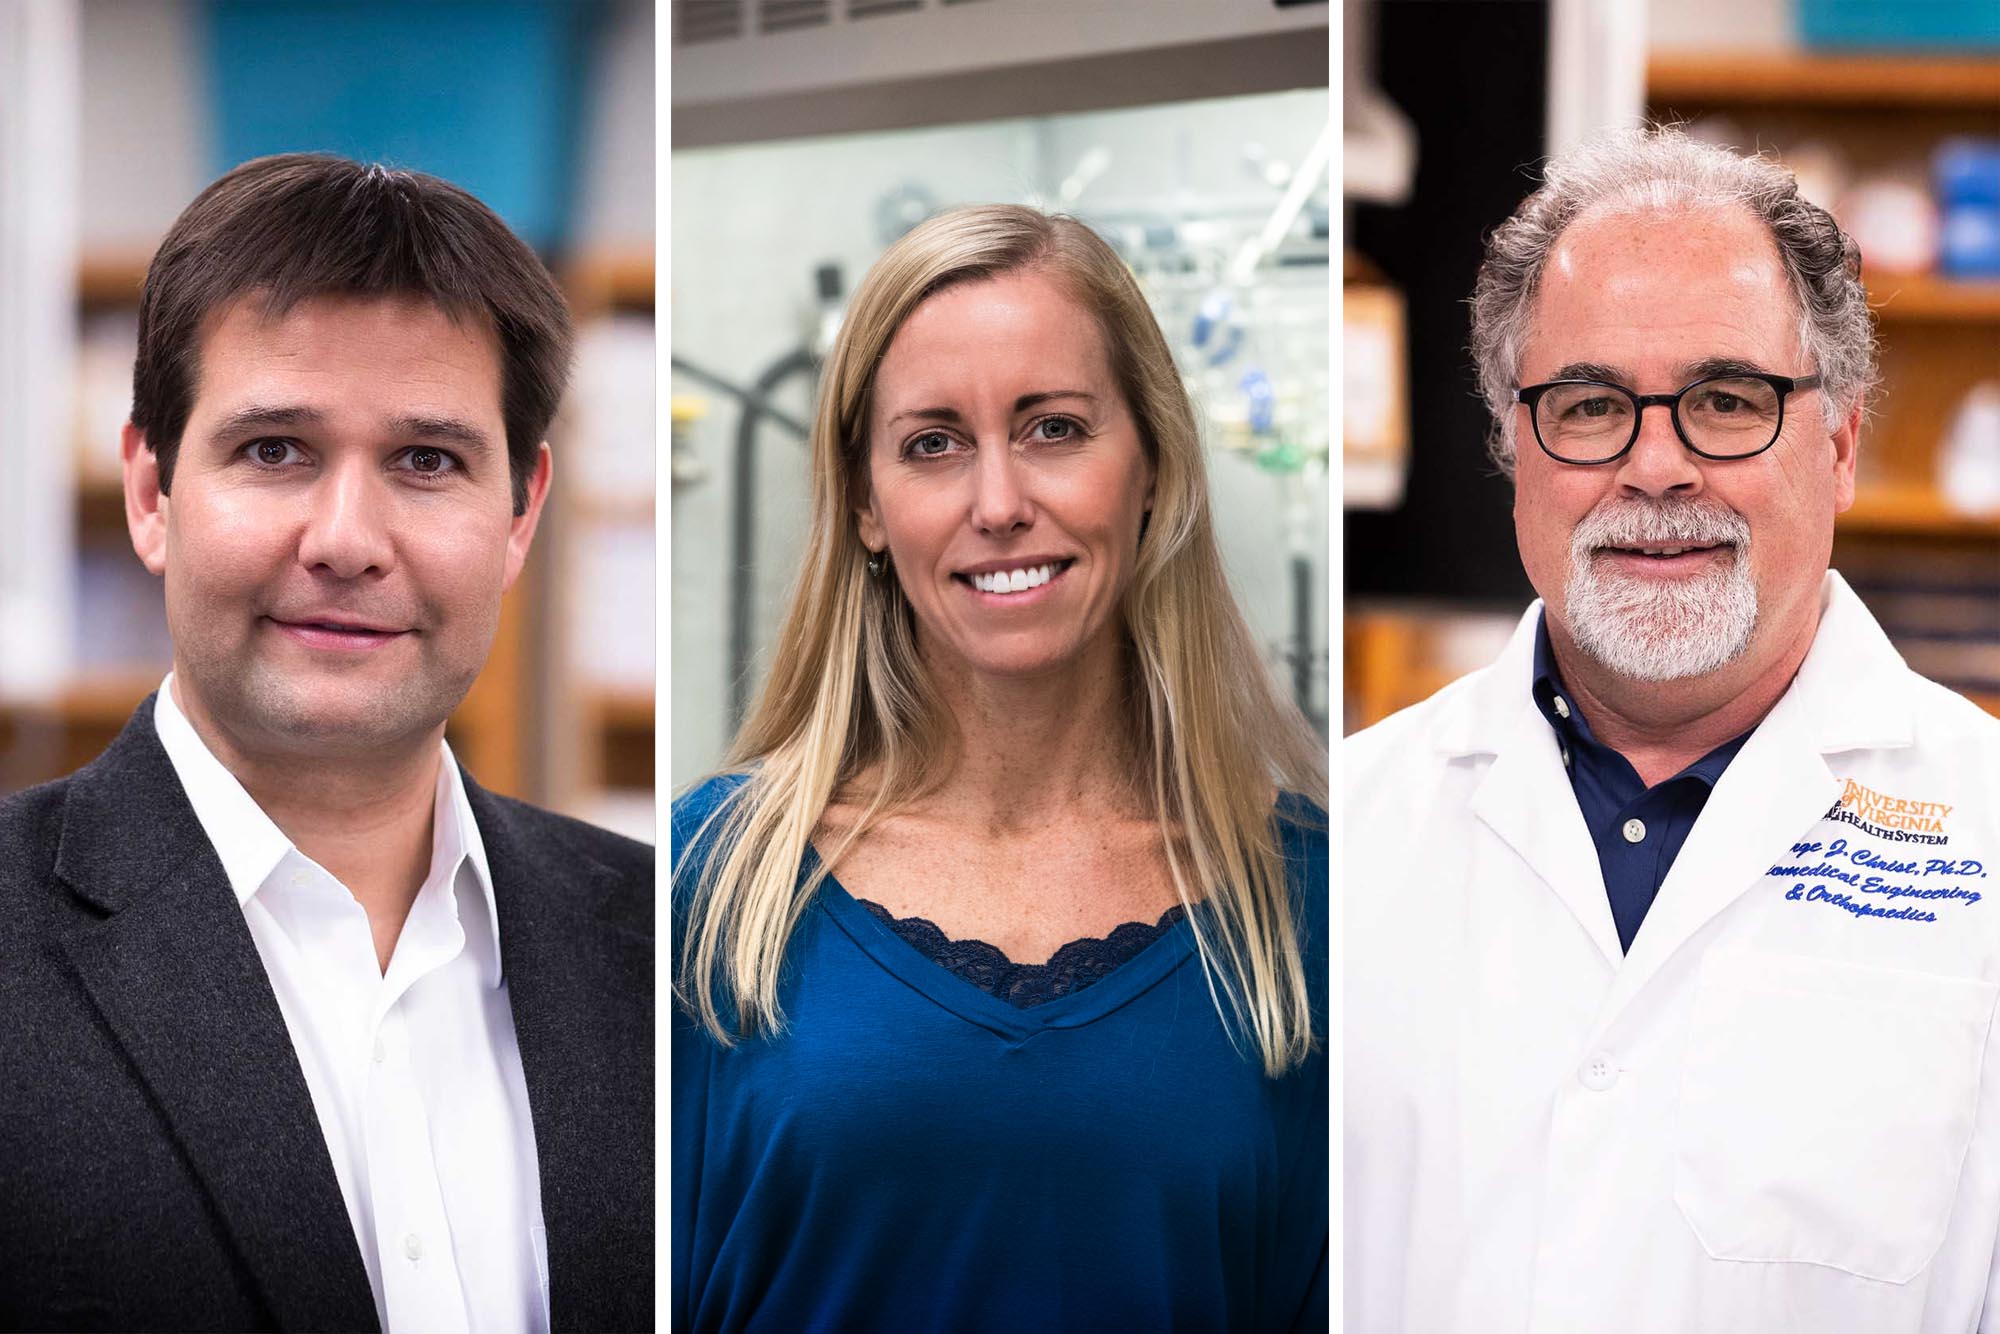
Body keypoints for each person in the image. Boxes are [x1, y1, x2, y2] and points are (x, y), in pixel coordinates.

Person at [1347, 125, 2000, 1332]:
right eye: (1588, 405)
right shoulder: (1338, 834)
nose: (1654, 466)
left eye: (1722, 399)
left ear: (1840, 440)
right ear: (1511, 446)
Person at [0, 154, 651, 1334]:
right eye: (275, 450)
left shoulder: (664, 950)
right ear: (150, 488)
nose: (347, 540)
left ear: (521, 515)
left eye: (427, 461)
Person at [671, 204, 1328, 1332]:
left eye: (1053, 428)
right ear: (868, 507)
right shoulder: (709, 881)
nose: (997, 503)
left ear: (1154, 466)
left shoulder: (1305, 908)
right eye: (932, 443)